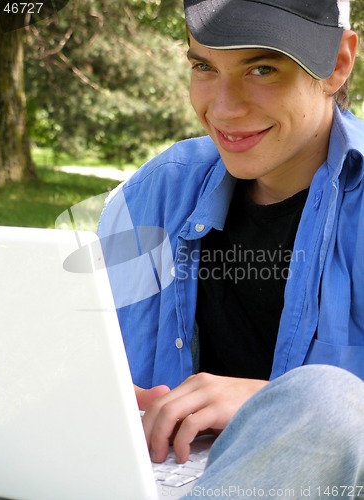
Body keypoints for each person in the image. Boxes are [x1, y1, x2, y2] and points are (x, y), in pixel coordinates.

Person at [98, 0, 364, 494]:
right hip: (148, 482)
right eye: (204, 67)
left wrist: (270, 409)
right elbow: (77, 356)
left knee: (327, 402)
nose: (223, 107)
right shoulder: (151, 196)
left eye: (261, 68)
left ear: (338, 63)